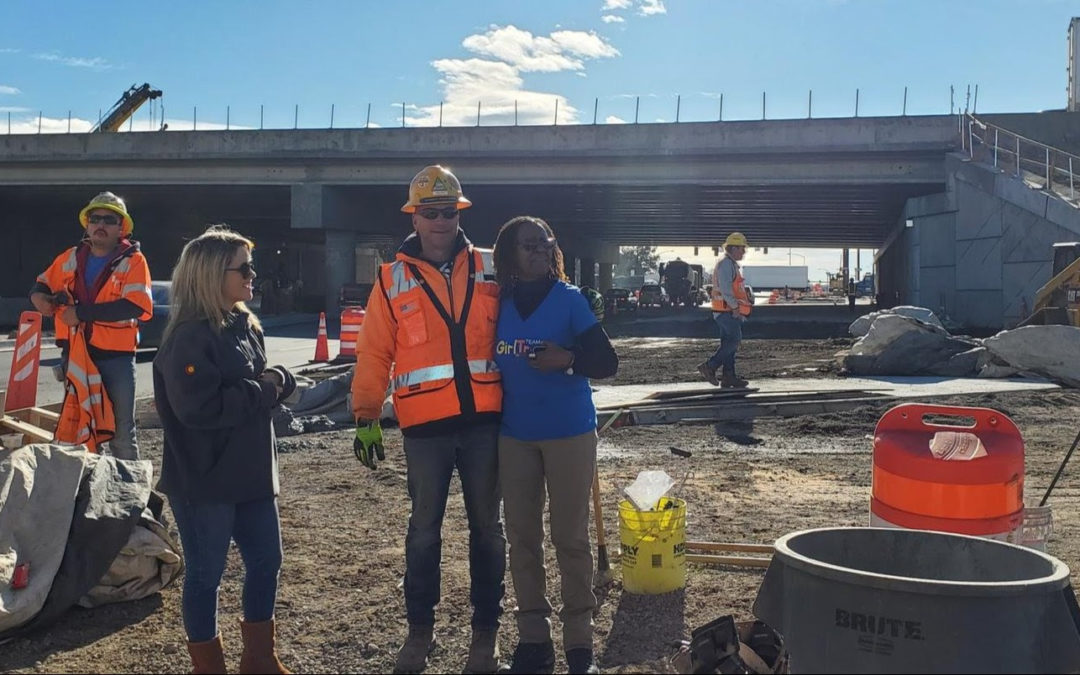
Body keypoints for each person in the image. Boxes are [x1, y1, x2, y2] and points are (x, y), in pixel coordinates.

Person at [351, 165, 506, 674]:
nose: (439, 221)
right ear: (414, 217)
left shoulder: (490, 267)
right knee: (424, 532)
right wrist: (366, 413)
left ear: (459, 214)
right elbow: (374, 350)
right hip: (424, 427)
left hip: (484, 421)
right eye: (428, 212)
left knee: (488, 530)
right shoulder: (390, 278)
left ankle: (486, 633)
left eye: (447, 211)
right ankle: (420, 633)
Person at [152, 225, 296, 675]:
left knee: (267, 560)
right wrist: (266, 389)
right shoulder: (188, 338)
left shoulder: (243, 323)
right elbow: (200, 408)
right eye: (244, 269)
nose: (254, 276)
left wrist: (279, 381)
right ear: (214, 274)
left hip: (251, 474)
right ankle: (208, 667)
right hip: (205, 480)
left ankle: (258, 659)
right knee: (205, 575)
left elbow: (263, 382)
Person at [493, 216, 618, 675]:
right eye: (530, 245)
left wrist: (567, 360)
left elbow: (607, 362)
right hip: (514, 436)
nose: (541, 251)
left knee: (570, 538)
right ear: (509, 253)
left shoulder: (570, 301)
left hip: (569, 433)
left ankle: (579, 647)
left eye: (547, 243)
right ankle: (533, 642)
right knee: (523, 540)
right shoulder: (497, 303)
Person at [30, 191, 152, 459]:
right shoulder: (69, 257)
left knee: (121, 434)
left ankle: (126, 495)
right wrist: (39, 298)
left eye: (109, 219)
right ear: (87, 224)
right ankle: (88, 492)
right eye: (95, 218)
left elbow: (134, 306)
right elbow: (41, 286)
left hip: (115, 359)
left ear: (121, 228)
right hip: (75, 355)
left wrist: (81, 314)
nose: (101, 224)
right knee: (80, 427)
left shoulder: (134, 261)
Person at [698, 232, 752, 389]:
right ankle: (710, 366)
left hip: (725, 310)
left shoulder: (729, 264)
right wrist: (735, 307)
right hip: (726, 311)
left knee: (728, 342)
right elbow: (726, 288)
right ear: (734, 248)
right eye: (742, 248)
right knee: (734, 341)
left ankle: (729, 376)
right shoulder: (726, 264)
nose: (744, 252)